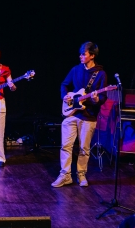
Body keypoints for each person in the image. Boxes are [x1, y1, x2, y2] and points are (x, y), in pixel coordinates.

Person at [51, 41, 107, 188]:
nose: (81, 56)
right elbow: (64, 84)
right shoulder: (75, 69)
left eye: (84, 54)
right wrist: (65, 96)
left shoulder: (100, 74)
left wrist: (96, 99)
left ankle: (81, 174)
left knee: (84, 148)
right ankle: (65, 175)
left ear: (92, 56)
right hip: (71, 114)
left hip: (88, 116)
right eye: (81, 53)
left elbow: (102, 98)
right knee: (66, 146)